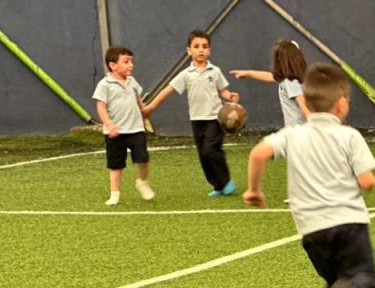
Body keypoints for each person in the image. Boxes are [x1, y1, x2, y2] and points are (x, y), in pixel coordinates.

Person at [243, 64, 375, 288]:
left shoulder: (293, 135)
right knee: (364, 278)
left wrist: (254, 190)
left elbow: (257, 154)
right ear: (342, 103)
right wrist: (363, 181)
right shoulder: (349, 136)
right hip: (349, 222)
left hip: (312, 231)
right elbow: (367, 181)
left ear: (306, 101)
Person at [143, 30, 240, 197]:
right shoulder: (186, 75)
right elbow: (167, 90)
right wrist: (150, 108)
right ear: (189, 51)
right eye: (196, 46)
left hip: (215, 118)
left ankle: (226, 181)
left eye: (204, 46)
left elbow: (222, 91)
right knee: (203, 155)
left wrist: (230, 96)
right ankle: (218, 186)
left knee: (211, 149)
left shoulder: (215, 71)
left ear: (209, 50)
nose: (201, 50)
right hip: (196, 120)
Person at [92, 46, 155, 206]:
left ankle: (142, 182)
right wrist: (109, 124)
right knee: (115, 165)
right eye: (126, 62)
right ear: (113, 65)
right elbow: (101, 107)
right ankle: (115, 194)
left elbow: (138, 99)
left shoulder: (132, 82)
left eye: (131, 61)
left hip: (136, 130)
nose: (131, 65)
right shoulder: (104, 84)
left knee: (143, 159)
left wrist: (144, 111)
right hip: (115, 133)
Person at [231, 39, 310, 128]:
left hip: (298, 130)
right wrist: (247, 73)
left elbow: (303, 104)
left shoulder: (290, 81)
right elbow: (269, 76)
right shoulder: (291, 78)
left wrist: (316, 125)